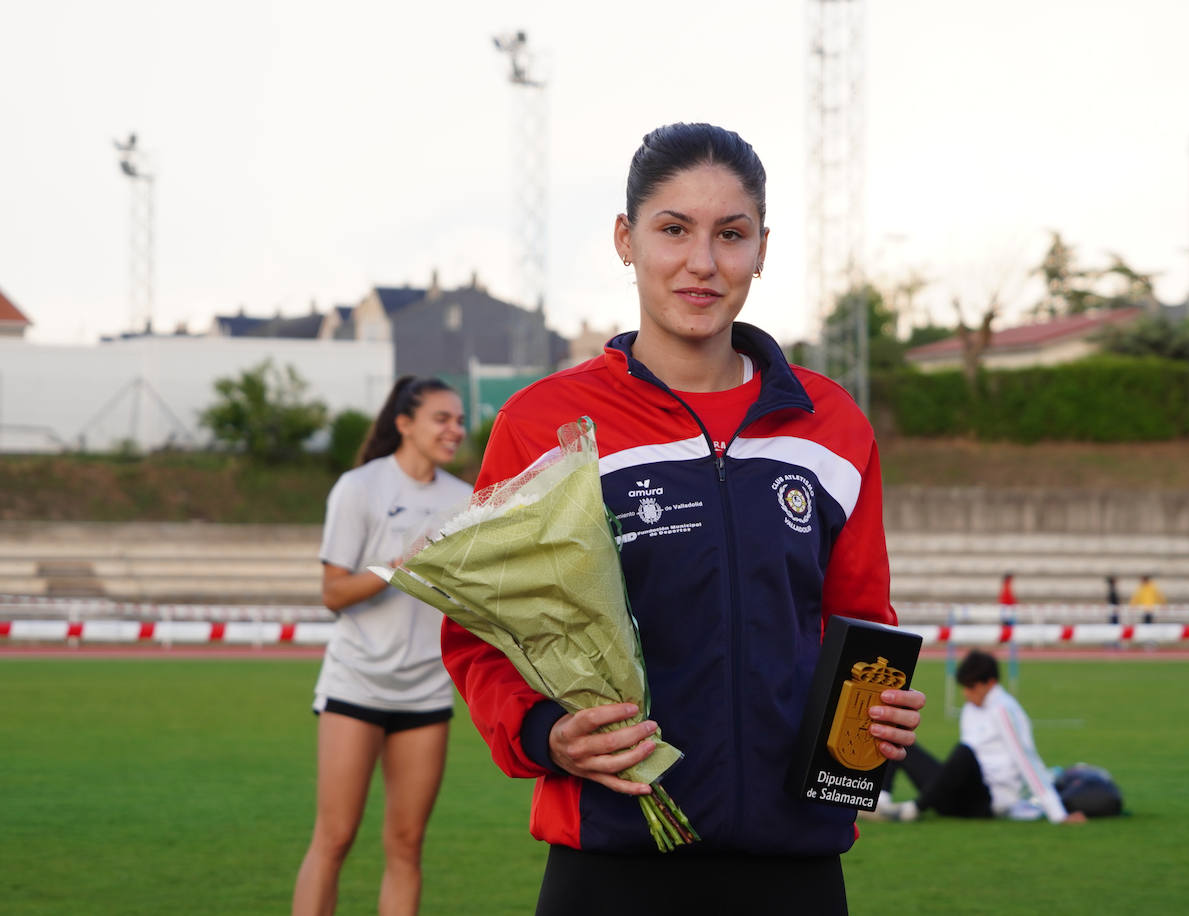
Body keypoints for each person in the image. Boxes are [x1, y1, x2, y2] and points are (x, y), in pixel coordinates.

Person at [439, 122, 925, 915]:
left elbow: (860, 622)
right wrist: (543, 736)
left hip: (791, 869)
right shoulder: (547, 425)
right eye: (674, 230)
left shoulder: (831, 425)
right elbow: (482, 635)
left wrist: (876, 717)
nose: (703, 263)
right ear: (627, 240)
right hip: (613, 861)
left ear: (761, 248)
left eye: (730, 235)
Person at [293, 376, 473, 916]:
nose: (455, 429)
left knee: (406, 846)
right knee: (335, 838)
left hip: (426, 693)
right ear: (404, 423)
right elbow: (333, 593)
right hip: (357, 684)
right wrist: (398, 569)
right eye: (442, 418)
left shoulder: (463, 500)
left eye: (460, 420)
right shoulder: (359, 488)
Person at [868, 650, 1085, 824]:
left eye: (971, 687)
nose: (966, 694)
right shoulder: (971, 709)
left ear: (990, 683)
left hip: (987, 800)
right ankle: (879, 805)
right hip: (958, 793)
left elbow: (1027, 760)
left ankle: (912, 810)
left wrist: (1058, 814)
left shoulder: (1005, 710)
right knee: (901, 739)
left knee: (964, 752)